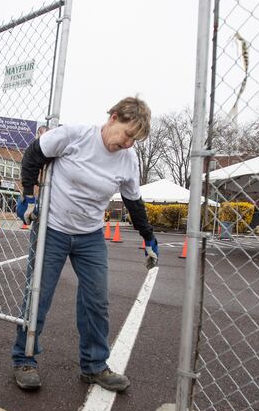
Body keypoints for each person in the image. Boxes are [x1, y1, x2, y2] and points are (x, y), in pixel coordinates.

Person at [12, 96, 158, 392]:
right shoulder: (75, 136)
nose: (129, 143)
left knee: (97, 300)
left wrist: (148, 236)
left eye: (135, 139)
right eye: (128, 134)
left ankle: (93, 366)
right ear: (114, 117)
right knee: (38, 295)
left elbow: (133, 201)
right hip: (52, 229)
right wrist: (28, 194)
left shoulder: (128, 160)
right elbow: (33, 154)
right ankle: (24, 359)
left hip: (90, 235)